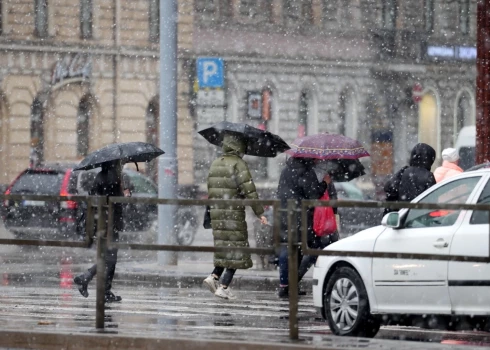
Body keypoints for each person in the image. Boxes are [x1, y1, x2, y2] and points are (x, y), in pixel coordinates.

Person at [202, 133, 268, 300]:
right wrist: (259, 212)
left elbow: (211, 189)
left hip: (217, 212)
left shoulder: (216, 163)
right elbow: (249, 190)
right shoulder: (239, 164)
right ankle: (223, 286)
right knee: (237, 248)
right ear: (239, 147)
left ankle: (214, 277)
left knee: (224, 246)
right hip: (232, 212)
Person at [73, 160, 131, 303]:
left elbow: (95, 196)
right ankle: (86, 278)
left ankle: (105, 290)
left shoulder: (100, 176)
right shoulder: (117, 178)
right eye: (120, 163)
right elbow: (118, 200)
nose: (122, 165)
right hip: (111, 221)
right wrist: (125, 195)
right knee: (110, 258)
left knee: (108, 256)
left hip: (101, 221)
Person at [276, 157, 331, 298]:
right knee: (299, 249)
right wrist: (324, 183)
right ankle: (290, 285)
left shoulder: (286, 170)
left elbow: (280, 191)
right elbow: (312, 195)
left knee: (286, 248)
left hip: (284, 213)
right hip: (300, 216)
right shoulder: (306, 172)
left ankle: (284, 285)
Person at [297, 164, 339, 284]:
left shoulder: (308, 172)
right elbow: (321, 196)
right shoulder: (320, 176)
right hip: (319, 221)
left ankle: (318, 281)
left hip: (316, 220)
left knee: (317, 251)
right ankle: (297, 280)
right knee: (319, 251)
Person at [384, 143, 436, 214]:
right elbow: (432, 200)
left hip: (400, 216)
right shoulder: (428, 176)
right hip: (419, 217)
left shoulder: (403, 171)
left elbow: (389, 187)